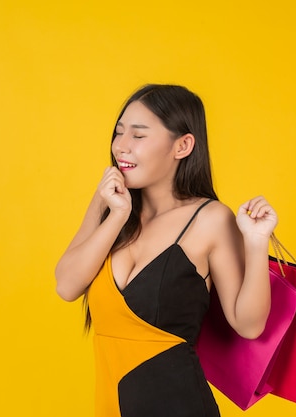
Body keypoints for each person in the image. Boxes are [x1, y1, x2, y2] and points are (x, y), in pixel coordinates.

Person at [55, 84, 277, 417]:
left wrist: (257, 242)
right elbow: (67, 286)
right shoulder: (109, 200)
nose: (121, 147)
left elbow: (248, 325)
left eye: (139, 136)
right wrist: (116, 215)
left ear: (183, 145)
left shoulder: (210, 219)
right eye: (119, 133)